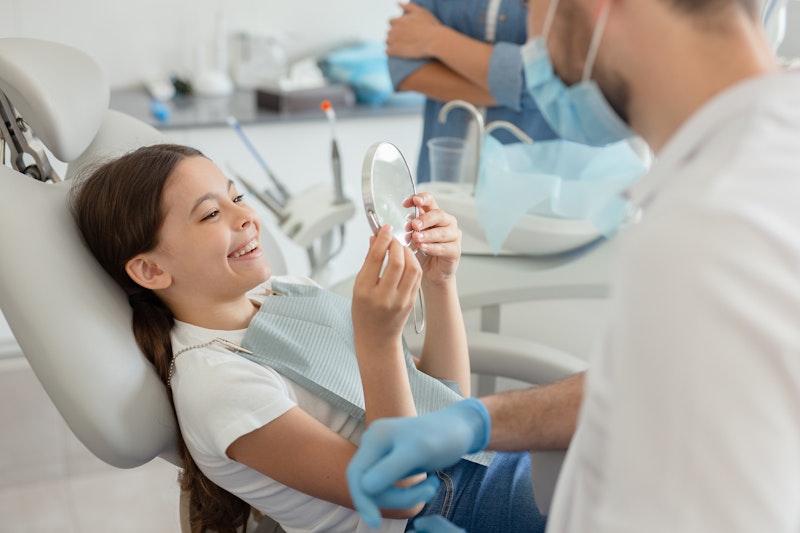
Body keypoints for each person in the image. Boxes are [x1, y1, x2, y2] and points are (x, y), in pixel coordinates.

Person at [349, 0, 800, 531]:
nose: (528, 42)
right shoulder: (759, 156)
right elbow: (654, 381)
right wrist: (480, 421)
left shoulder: (702, 232)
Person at [69, 143, 547, 533]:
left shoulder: (289, 292)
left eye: (236, 197)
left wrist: (439, 283)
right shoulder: (218, 386)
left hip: (477, 465)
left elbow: (442, 401)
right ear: (151, 269)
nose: (245, 217)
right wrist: (377, 343)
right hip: (439, 511)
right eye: (210, 215)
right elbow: (398, 495)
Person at [386, 0, 557, 182]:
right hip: (442, 178)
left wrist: (433, 38)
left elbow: (550, 78)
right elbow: (403, 66)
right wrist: (513, 87)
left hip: (532, 181)